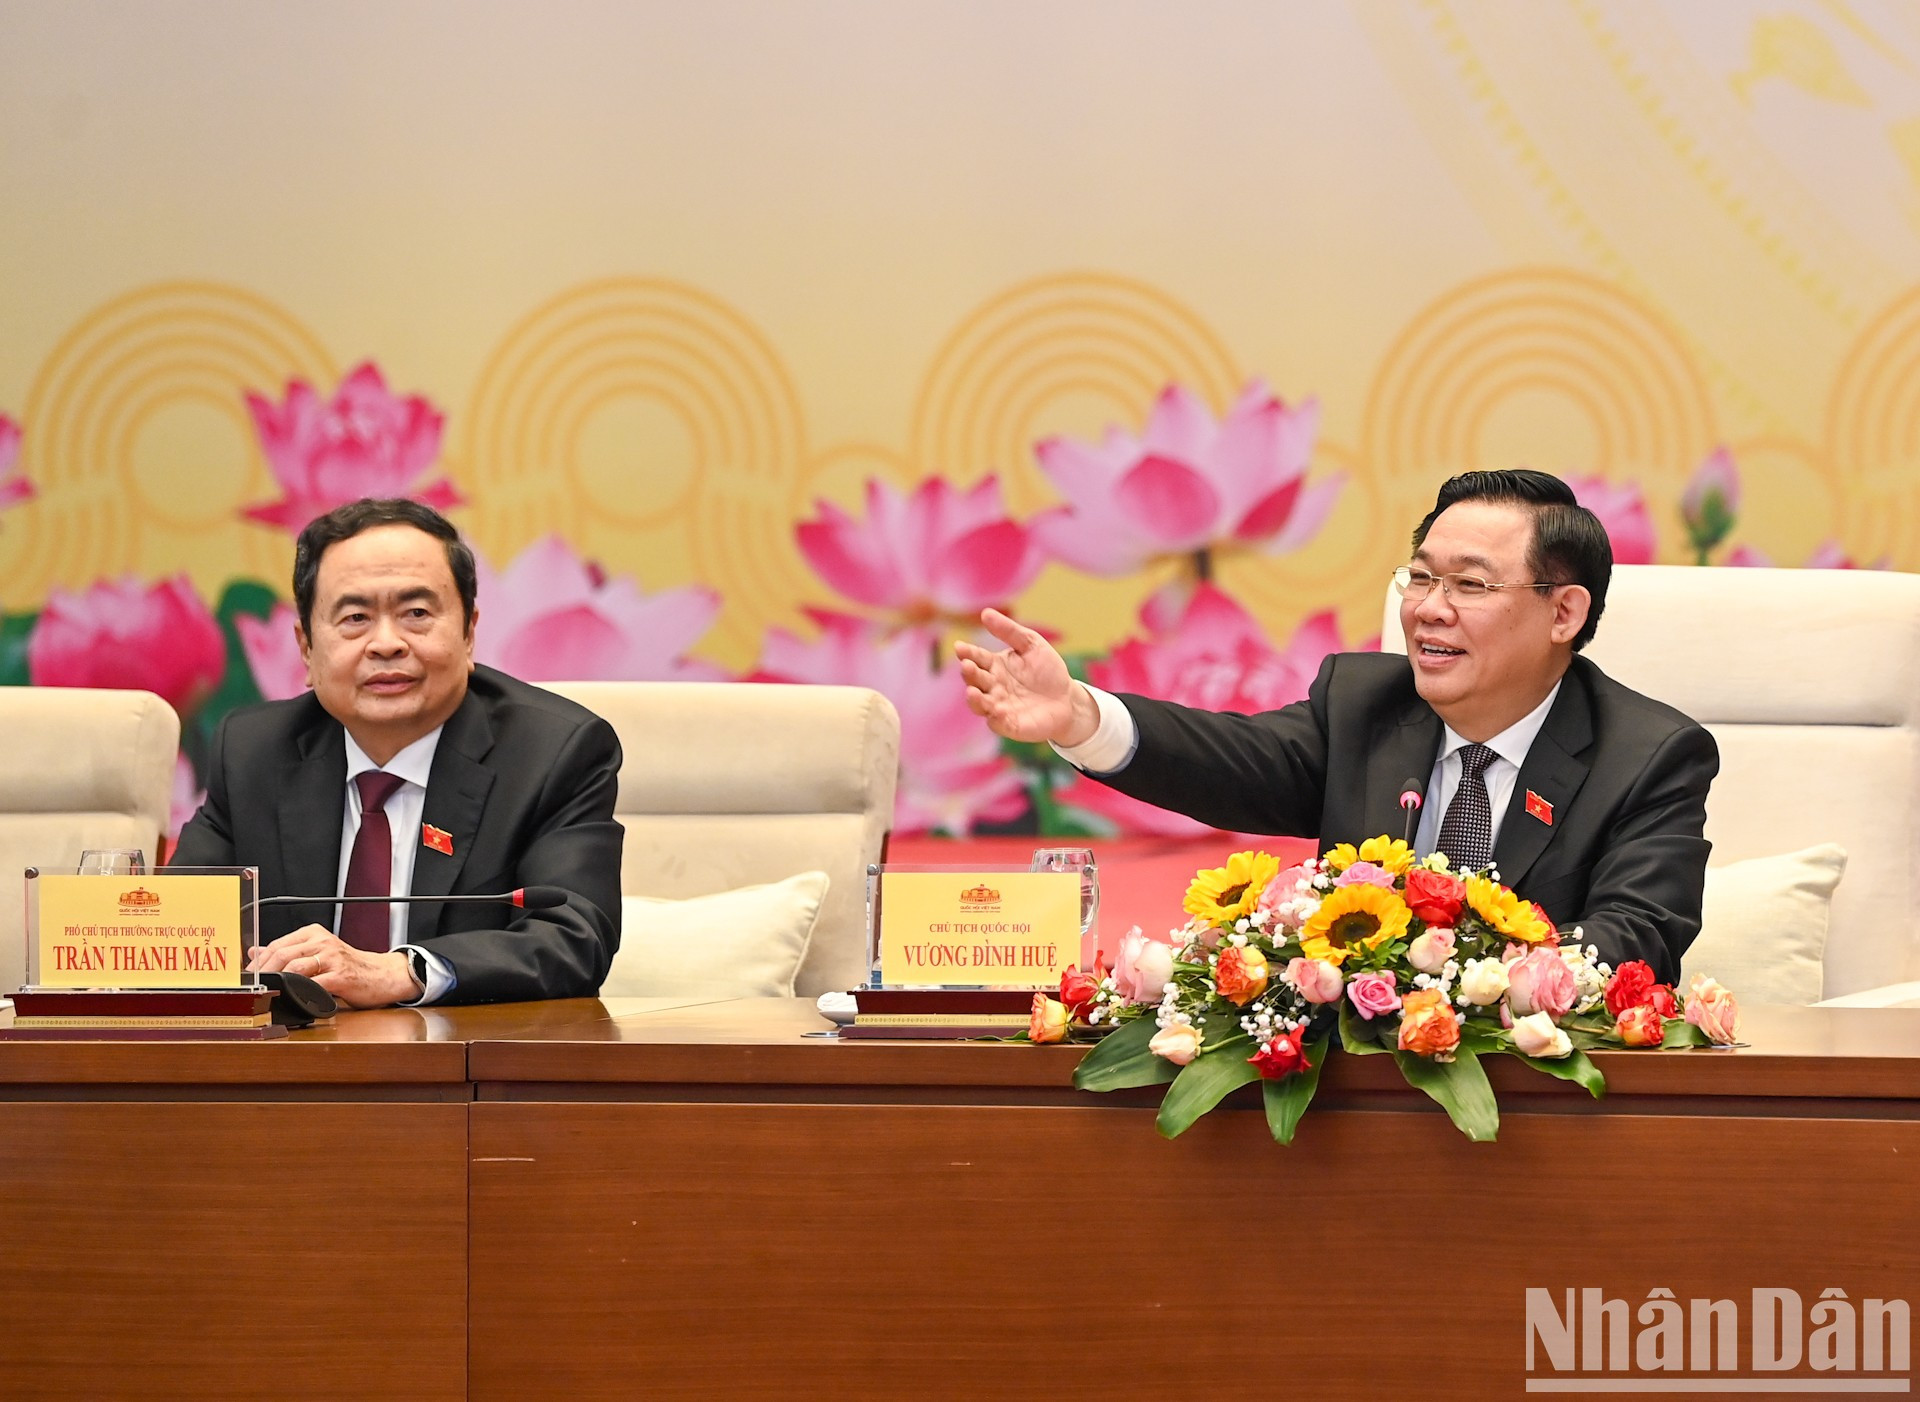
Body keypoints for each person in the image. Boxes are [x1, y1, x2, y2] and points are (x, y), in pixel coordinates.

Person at [957, 470, 1718, 982]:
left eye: (1470, 585)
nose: (1428, 608)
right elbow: (1233, 762)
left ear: (1564, 612)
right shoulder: (1364, 705)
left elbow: (1636, 937)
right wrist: (1082, 717)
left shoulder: (1648, 756)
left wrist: (1446, 973)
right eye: (1420, 577)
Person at [172, 498, 623, 1007]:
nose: (386, 643)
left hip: (463, 1065)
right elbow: (180, 926)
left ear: (469, 632)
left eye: (416, 613)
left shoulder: (553, 754)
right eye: (355, 617)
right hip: (292, 1068)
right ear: (305, 649)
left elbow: (575, 937)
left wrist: (401, 971)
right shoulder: (254, 752)